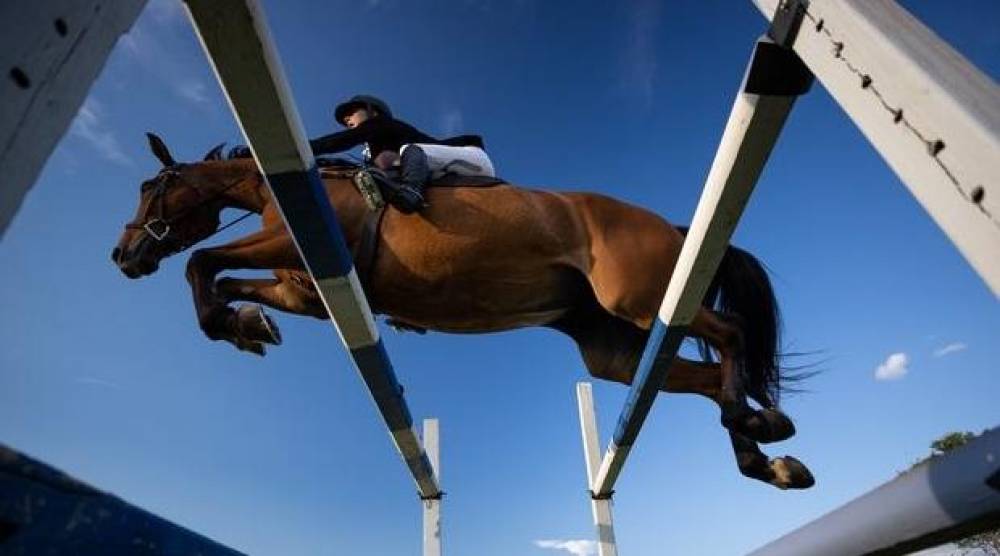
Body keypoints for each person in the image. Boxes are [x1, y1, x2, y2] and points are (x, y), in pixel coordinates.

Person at [309, 95, 494, 213]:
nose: (347, 119)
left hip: (471, 157)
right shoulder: (374, 146)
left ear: (372, 111)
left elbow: (342, 140)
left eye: (351, 112)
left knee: (410, 150)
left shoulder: (381, 123)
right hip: (441, 169)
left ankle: (411, 192)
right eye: (344, 118)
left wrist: (306, 147)